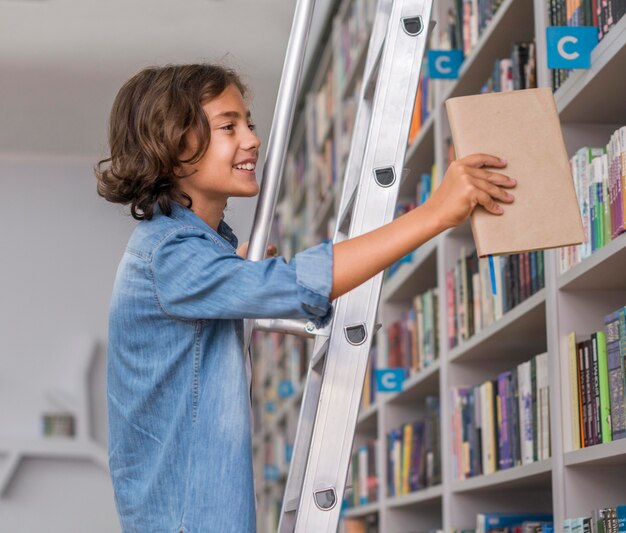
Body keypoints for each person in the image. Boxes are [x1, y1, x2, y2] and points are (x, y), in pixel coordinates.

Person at [96, 63, 515, 533]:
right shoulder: (169, 255)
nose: (252, 140)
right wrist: (435, 213)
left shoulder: (191, 253)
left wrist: (234, 274)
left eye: (249, 123)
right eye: (228, 127)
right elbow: (299, 284)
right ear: (172, 149)